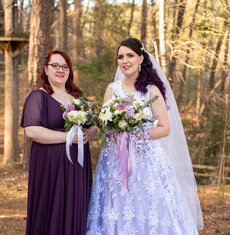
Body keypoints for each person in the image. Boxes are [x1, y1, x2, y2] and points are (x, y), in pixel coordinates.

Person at [86, 38, 203, 234]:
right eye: (120, 57)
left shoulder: (151, 90)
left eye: (130, 56)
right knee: (116, 206)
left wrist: (135, 135)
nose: (125, 61)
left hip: (145, 158)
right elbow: (105, 126)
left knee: (146, 207)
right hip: (114, 160)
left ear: (141, 58)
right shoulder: (111, 89)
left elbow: (165, 128)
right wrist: (113, 130)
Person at [20, 50, 98, 235]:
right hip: (49, 167)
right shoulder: (38, 97)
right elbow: (31, 131)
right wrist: (67, 137)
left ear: (69, 71)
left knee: (76, 208)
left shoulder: (78, 97)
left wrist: (89, 133)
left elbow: (94, 127)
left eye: (65, 66)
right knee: (49, 211)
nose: (60, 70)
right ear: (46, 69)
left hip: (77, 169)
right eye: (55, 66)